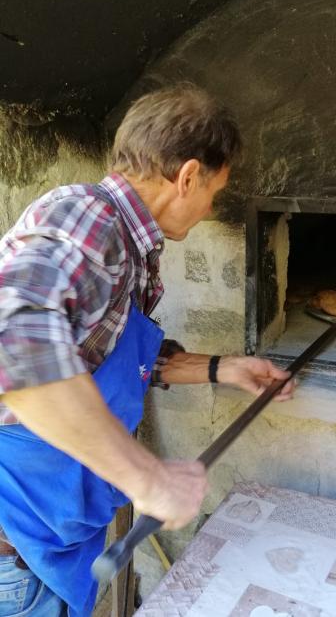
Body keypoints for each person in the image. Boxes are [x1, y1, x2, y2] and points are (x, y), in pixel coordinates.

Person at [0, 84, 294, 616]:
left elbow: (113, 359)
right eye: (215, 193)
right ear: (186, 177)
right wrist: (147, 479)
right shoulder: (86, 218)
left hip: (62, 524)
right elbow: (15, 348)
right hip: (19, 540)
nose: (210, 209)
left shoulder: (130, 247)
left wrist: (221, 369)